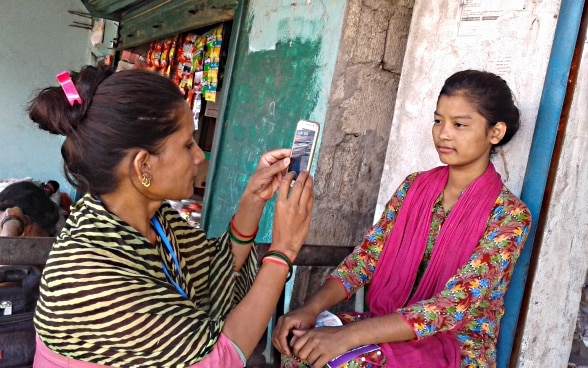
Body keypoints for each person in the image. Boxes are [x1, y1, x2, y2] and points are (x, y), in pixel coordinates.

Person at [27, 65, 314, 368]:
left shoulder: (153, 219)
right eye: (188, 144)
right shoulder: (86, 271)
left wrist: (252, 203)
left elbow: (214, 273)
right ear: (143, 166)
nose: (200, 156)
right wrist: (283, 251)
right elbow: (220, 358)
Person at [272, 70, 532, 368]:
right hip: (387, 324)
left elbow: (450, 306)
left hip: (456, 345)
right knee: (300, 342)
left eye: (459, 124)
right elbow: (366, 259)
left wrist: (349, 336)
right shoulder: (414, 187)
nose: (443, 133)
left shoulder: (510, 215)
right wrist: (310, 308)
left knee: (344, 361)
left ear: (494, 132)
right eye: (438, 121)